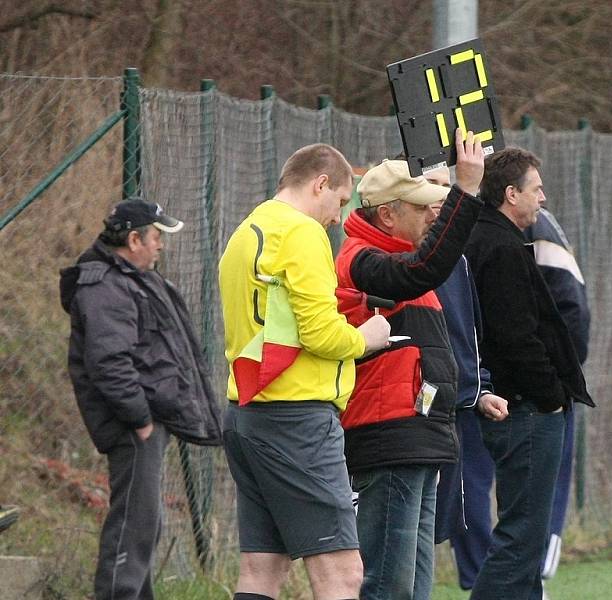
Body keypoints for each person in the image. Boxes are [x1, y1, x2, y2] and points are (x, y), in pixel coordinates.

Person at [218, 143, 390, 600]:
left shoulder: (246, 230)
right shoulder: (302, 232)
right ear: (319, 184)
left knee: (262, 568)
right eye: (338, 202)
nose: (337, 217)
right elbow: (319, 333)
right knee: (342, 573)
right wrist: (366, 338)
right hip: (296, 420)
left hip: (246, 414)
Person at [334, 130, 484, 600]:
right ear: (387, 214)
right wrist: (466, 192)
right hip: (389, 436)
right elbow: (426, 267)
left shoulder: (403, 262)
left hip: (417, 435)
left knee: (415, 582)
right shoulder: (364, 261)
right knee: (390, 581)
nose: (432, 214)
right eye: (422, 208)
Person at [59, 198, 223, 600]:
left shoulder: (132, 278)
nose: (160, 245)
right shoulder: (106, 285)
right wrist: (139, 419)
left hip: (142, 421)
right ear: (134, 240)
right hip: (132, 425)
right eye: (155, 236)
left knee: (144, 523)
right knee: (133, 524)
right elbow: (109, 361)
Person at [464, 147, 595, 600]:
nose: (543, 199)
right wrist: (552, 393)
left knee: (524, 540)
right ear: (511, 193)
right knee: (521, 541)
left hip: (515, 404)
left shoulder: (489, 238)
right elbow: (515, 337)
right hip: (526, 410)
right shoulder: (499, 247)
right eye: (536, 189)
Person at [425, 167, 508, 591]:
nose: (444, 196)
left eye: (449, 187)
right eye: (435, 186)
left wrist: (480, 389)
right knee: (403, 530)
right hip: (408, 415)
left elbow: (466, 331)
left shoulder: (455, 258)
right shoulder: (392, 259)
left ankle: (480, 585)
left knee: (455, 511)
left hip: (455, 408)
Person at [524, 206, 591, 581]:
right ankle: (526, 575)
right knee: (543, 479)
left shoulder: (535, 222)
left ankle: (522, 575)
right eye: (535, 188)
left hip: (484, 381)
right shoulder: (536, 222)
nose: (542, 196)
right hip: (525, 385)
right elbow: (574, 308)